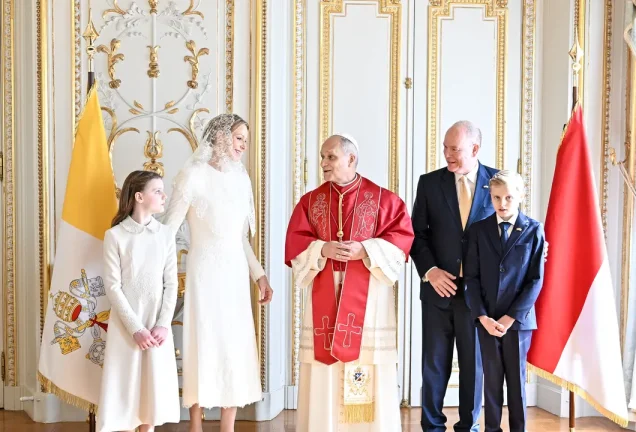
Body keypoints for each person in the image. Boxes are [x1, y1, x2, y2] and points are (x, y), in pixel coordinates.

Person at [285, 134, 414, 432]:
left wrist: (366, 250)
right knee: (324, 368)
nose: (323, 163)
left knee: (367, 361)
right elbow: (295, 244)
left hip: (369, 300)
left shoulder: (384, 200)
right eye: (322, 157)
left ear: (351, 158)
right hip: (325, 293)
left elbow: (402, 241)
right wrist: (322, 249)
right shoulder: (310, 201)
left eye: (330, 157)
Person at [163, 114, 274, 432]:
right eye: (239, 138)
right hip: (205, 273)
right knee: (204, 342)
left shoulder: (241, 179)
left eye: (246, 140)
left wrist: (259, 275)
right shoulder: (192, 175)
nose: (243, 146)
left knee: (233, 346)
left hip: (235, 275)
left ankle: (228, 426)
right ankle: (195, 424)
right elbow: (169, 229)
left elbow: (240, 238)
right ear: (221, 136)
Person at [410, 121, 497, 431]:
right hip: (437, 292)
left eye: (455, 149)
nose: (447, 154)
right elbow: (416, 235)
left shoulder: (499, 183)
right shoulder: (429, 183)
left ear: (474, 149)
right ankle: (431, 427)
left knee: (474, 367)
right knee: (434, 365)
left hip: (479, 296)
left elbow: (511, 232)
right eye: (445, 147)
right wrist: (430, 271)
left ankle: (468, 427)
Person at [97, 170, 180, 432]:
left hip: (156, 325)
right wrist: (135, 328)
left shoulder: (165, 235)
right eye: (158, 191)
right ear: (139, 197)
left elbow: (171, 284)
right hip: (127, 326)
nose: (164, 196)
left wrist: (163, 325)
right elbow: (113, 287)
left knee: (151, 391)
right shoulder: (115, 236)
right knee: (125, 389)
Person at [464, 170, 545, 432]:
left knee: (516, 382)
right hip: (487, 320)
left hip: (518, 322)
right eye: (497, 197)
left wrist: (511, 318)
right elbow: (471, 278)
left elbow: (535, 280)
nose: (502, 203)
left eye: (509, 197)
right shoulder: (479, 230)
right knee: (491, 380)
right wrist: (482, 317)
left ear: (520, 196)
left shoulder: (533, 230)